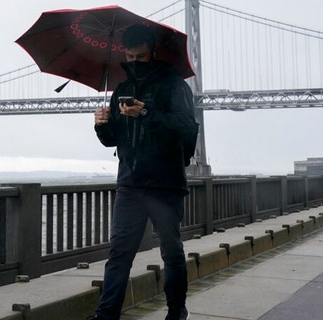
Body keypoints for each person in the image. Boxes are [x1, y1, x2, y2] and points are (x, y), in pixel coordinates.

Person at [87, 23, 197, 320]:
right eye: (129, 57)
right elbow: (113, 139)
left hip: (165, 184)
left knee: (171, 253)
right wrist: (101, 125)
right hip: (130, 184)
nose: (133, 62)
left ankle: (177, 311)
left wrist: (145, 112)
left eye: (140, 56)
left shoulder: (174, 85)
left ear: (153, 53)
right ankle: (106, 315)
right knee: (119, 256)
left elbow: (186, 128)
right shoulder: (121, 89)